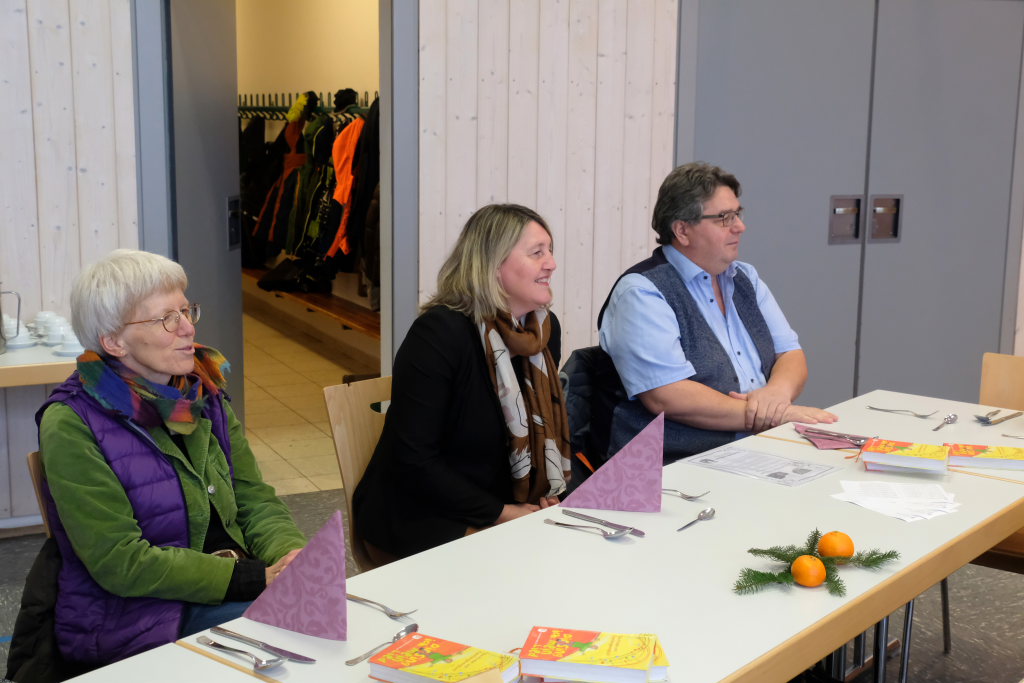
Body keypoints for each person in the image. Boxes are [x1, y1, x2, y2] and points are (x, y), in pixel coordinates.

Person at [28, 249, 306, 669]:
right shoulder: (72, 422)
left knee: (327, 623)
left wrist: (291, 556)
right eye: (166, 319)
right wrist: (252, 579)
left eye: (186, 311)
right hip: (141, 617)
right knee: (303, 646)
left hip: (231, 585)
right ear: (114, 341)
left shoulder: (203, 392)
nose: (188, 327)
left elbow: (254, 500)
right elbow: (121, 561)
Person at [353, 204, 571, 563]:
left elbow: (534, 437)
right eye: (537, 253)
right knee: (527, 567)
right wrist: (501, 513)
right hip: (420, 511)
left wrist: (539, 496)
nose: (552, 263)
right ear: (493, 263)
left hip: (500, 502)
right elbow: (413, 458)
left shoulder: (542, 333)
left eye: (550, 251)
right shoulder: (440, 333)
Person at [599, 162, 837, 461]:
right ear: (682, 230)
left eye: (737, 214)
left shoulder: (745, 277)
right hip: (672, 465)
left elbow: (790, 353)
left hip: (757, 448)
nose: (739, 227)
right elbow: (667, 395)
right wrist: (774, 414)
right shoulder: (642, 292)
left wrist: (776, 394)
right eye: (724, 218)